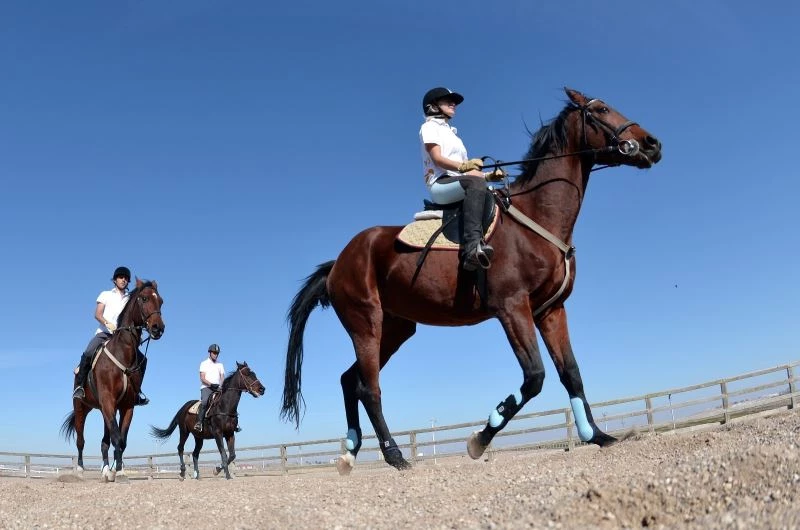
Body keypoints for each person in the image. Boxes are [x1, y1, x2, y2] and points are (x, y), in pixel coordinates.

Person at [419, 87, 503, 271]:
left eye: (454, 101)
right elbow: (438, 159)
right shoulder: (429, 127)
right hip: (440, 185)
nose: (453, 104)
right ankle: (472, 248)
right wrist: (464, 166)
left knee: (493, 191)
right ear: (432, 107)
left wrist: (489, 176)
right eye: (447, 100)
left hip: (460, 182)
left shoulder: (453, 134)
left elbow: (469, 174)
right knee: (474, 183)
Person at [72, 266, 149, 405]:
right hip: (105, 333)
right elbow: (97, 314)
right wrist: (108, 324)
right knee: (89, 351)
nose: (123, 280)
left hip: (123, 338)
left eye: (126, 278)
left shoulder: (129, 299)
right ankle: (79, 387)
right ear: (115, 280)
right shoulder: (105, 294)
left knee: (143, 359)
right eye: (120, 277)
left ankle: (136, 392)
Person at [195, 343, 225, 432]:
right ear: (210, 353)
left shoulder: (220, 365)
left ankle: (235, 423)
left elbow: (222, 377)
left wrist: (221, 385)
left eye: (217, 353)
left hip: (218, 388)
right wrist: (211, 385)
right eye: (214, 353)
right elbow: (202, 378)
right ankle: (199, 423)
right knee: (204, 402)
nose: (216, 354)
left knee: (228, 400)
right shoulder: (204, 363)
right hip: (207, 387)